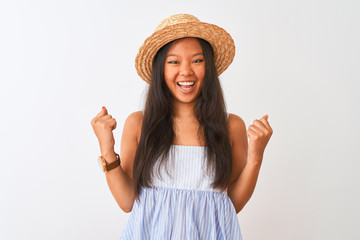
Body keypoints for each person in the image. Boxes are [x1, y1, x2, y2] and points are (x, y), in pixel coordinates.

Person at [91, 13, 273, 239]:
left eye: (197, 60)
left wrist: (255, 157)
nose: (186, 71)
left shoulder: (230, 126)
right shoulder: (139, 123)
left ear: (209, 67)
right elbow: (127, 202)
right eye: (174, 61)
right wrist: (106, 149)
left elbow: (232, 204)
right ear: (160, 69)